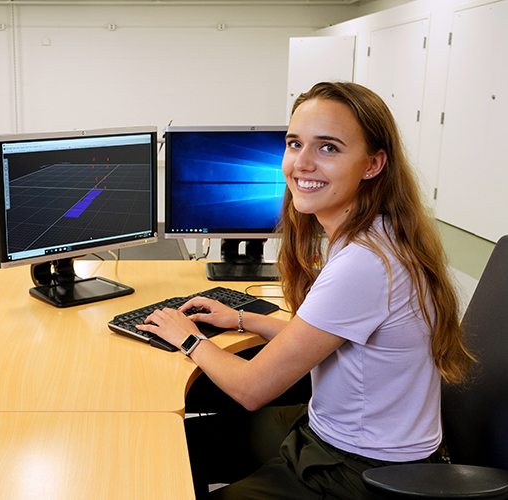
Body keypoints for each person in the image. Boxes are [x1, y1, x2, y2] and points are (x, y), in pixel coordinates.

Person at [137, 82, 474, 499]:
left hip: (363, 471)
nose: (301, 163)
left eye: (328, 148)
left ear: (373, 164)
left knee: (161, 456)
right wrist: (242, 319)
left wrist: (185, 337)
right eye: (295, 143)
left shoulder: (364, 264)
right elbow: (319, 339)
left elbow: (251, 389)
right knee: (170, 446)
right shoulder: (376, 235)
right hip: (341, 437)